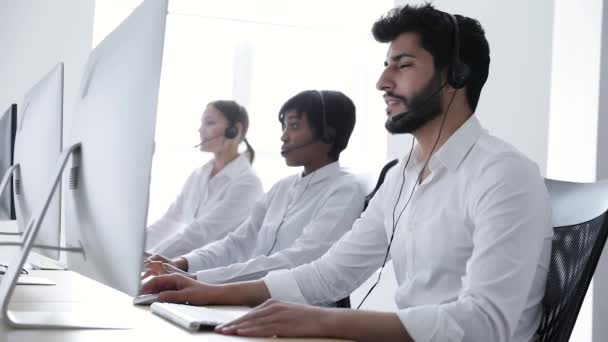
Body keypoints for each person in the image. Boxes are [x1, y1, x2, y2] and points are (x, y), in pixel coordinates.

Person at [142, 5, 553, 342]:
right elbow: (332, 272)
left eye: (403, 65)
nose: (382, 81)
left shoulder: (504, 175)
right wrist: (209, 292)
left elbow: (484, 324)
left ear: (455, 76)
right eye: (385, 65)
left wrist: (318, 322)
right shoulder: (403, 177)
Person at [144, 90, 365, 285]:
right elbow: (237, 242)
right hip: (249, 303)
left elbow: (298, 260)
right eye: (284, 126)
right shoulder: (282, 187)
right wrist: (182, 263)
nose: (283, 136)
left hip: (302, 312)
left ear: (328, 134)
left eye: (294, 125)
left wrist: (201, 279)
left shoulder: (345, 189)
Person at [145, 100, 263, 258]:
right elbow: (170, 220)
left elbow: (202, 233)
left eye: (209, 123)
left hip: (213, 276)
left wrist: (149, 259)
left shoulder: (248, 183)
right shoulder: (198, 175)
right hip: (182, 267)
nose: (200, 130)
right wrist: (134, 247)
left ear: (235, 130)